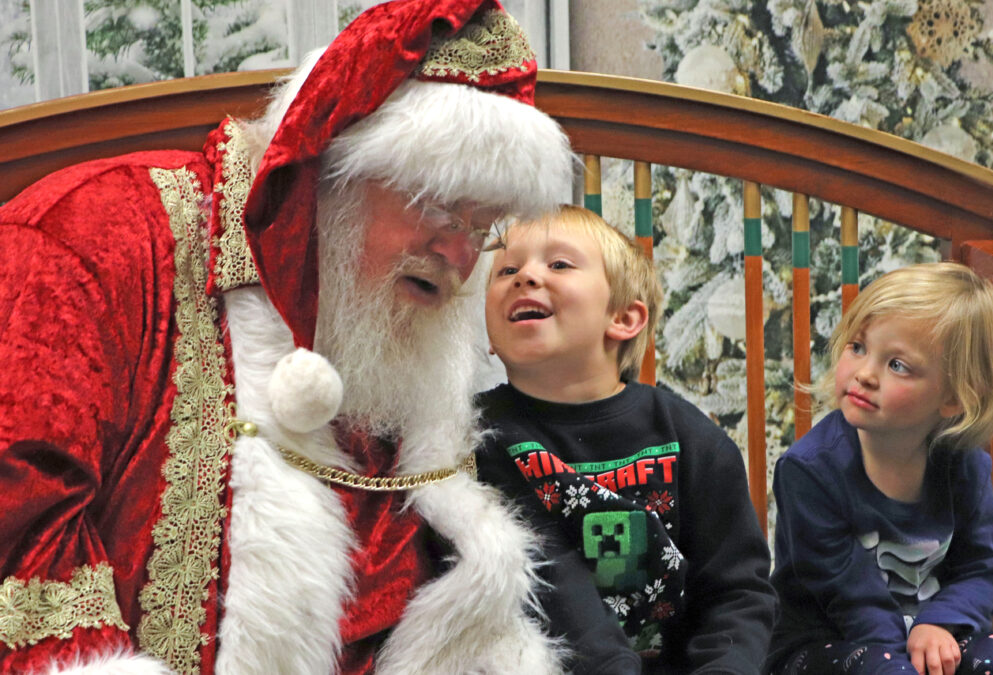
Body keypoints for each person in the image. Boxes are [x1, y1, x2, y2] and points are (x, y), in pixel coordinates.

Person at [0, 1, 576, 673]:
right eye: (442, 207)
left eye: (484, 227)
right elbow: (21, 528)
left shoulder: (384, 329)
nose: (461, 256)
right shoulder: (90, 237)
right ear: (329, 167)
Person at [476, 205, 778, 674]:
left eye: (558, 264)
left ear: (623, 318)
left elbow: (736, 590)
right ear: (491, 336)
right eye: (507, 269)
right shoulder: (476, 436)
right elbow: (544, 580)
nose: (525, 276)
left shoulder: (692, 439)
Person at [767, 262, 993, 675]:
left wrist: (938, 624)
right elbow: (848, 596)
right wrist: (908, 660)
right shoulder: (809, 471)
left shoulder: (963, 466)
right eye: (857, 347)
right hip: (827, 645)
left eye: (897, 365)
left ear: (951, 398)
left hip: (934, 635)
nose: (864, 374)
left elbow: (982, 568)